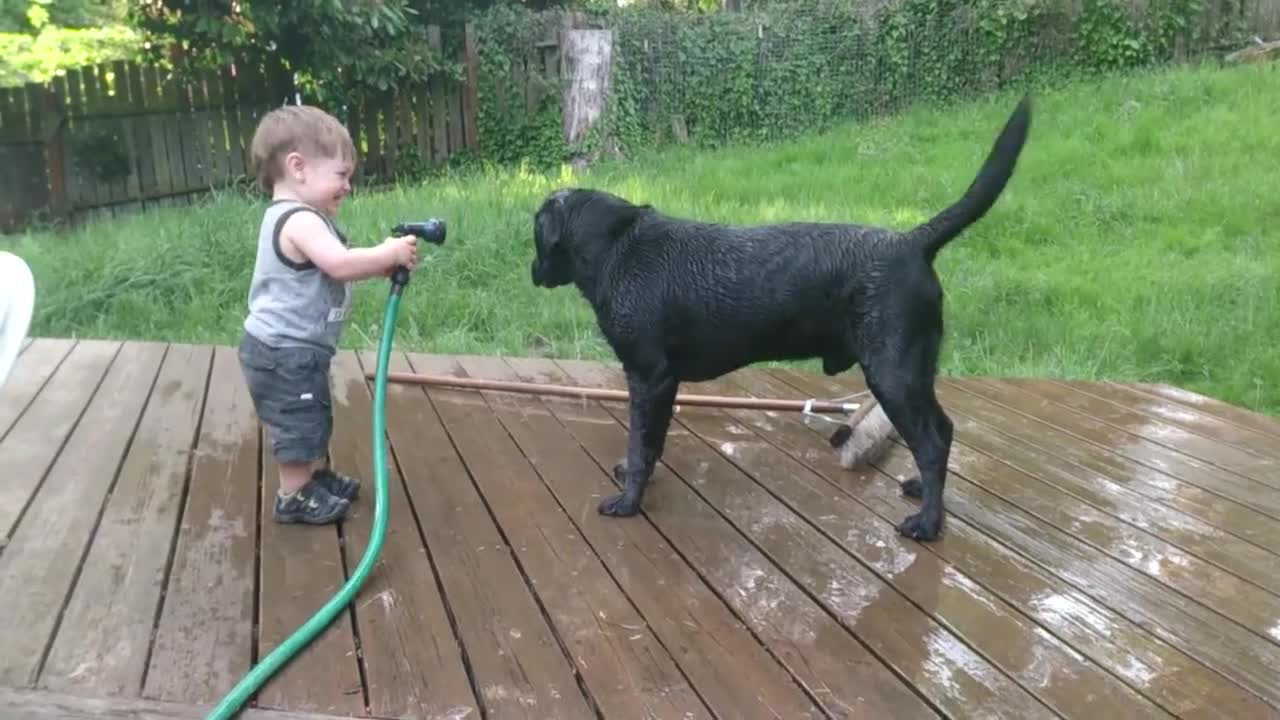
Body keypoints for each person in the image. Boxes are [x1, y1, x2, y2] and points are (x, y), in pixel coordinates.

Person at [238, 105, 418, 525]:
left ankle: (312, 476)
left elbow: (338, 265)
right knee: (299, 419)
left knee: (312, 413)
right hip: (284, 352)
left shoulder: (294, 217)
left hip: (291, 349)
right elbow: (339, 264)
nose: (348, 186)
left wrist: (378, 264)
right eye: (341, 174)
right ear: (297, 167)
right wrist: (386, 253)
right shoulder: (299, 220)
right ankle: (293, 494)